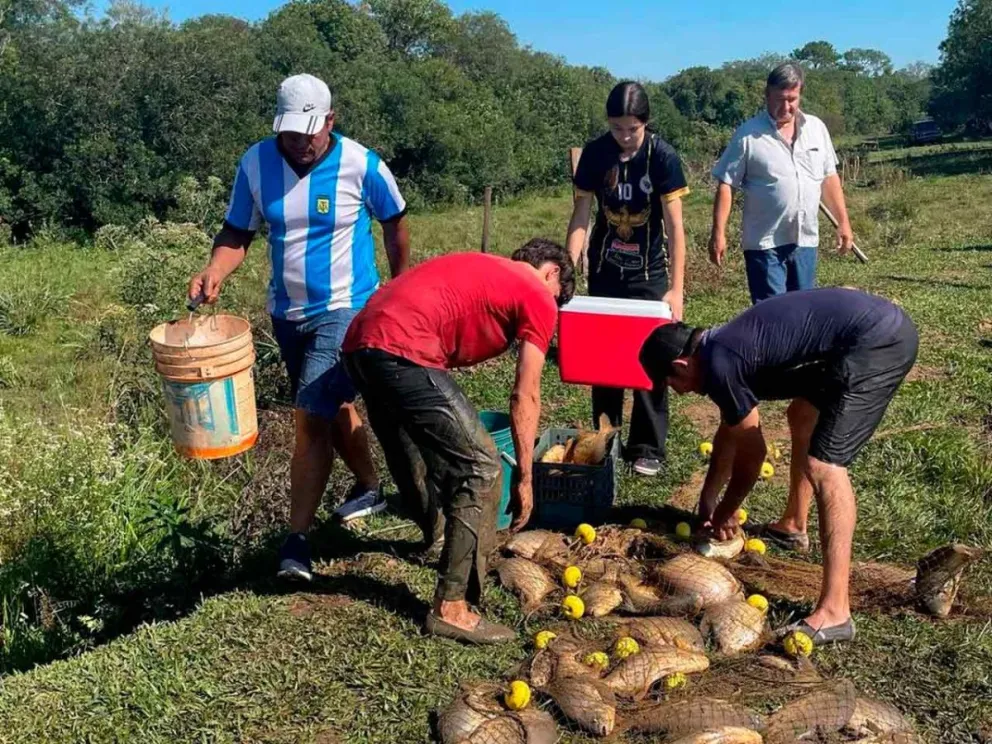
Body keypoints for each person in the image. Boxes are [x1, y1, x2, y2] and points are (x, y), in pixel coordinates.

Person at [187, 73, 411, 582]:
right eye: (289, 132)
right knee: (335, 406)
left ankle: (296, 543)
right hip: (286, 314)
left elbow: (395, 220)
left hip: (346, 306)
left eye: (308, 132)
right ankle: (370, 484)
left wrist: (401, 289)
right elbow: (238, 230)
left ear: (330, 121)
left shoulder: (361, 164)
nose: (298, 143)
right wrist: (214, 270)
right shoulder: (256, 163)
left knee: (309, 416)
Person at [639, 287, 918, 644]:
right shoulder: (716, 351)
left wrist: (726, 512)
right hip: (853, 341)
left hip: (877, 342)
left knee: (825, 466)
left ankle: (835, 612)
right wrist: (708, 501)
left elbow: (754, 455)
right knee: (802, 414)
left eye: (671, 384)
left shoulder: (722, 362)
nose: (677, 393)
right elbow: (732, 428)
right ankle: (793, 524)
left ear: (681, 365)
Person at [342, 239, 575, 644]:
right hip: (403, 348)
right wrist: (525, 474)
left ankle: (436, 540)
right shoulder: (537, 292)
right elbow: (526, 393)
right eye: (556, 297)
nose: (550, 309)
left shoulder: (485, 266)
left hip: (359, 343)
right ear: (551, 272)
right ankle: (451, 606)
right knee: (482, 466)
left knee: (409, 450)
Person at [566, 81, 690, 478]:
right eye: (616, 128)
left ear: (646, 123)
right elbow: (581, 216)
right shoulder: (596, 154)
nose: (624, 137)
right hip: (606, 269)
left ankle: (647, 445)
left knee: (650, 361)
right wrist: (567, 272)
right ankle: (607, 438)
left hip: (649, 273)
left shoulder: (663, 157)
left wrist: (677, 287)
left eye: (631, 129)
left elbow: (675, 227)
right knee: (604, 359)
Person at [709, 62, 855, 304]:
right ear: (767, 95)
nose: (785, 107)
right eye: (779, 99)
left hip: (804, 238)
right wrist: (718, 233)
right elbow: (726, 184)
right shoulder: (748, 135)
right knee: (772, 316)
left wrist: (844, 223)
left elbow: (829, 177)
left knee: (802, 313)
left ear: (800, 95)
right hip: (765, 244)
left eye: (792, 99)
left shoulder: (816, 129)